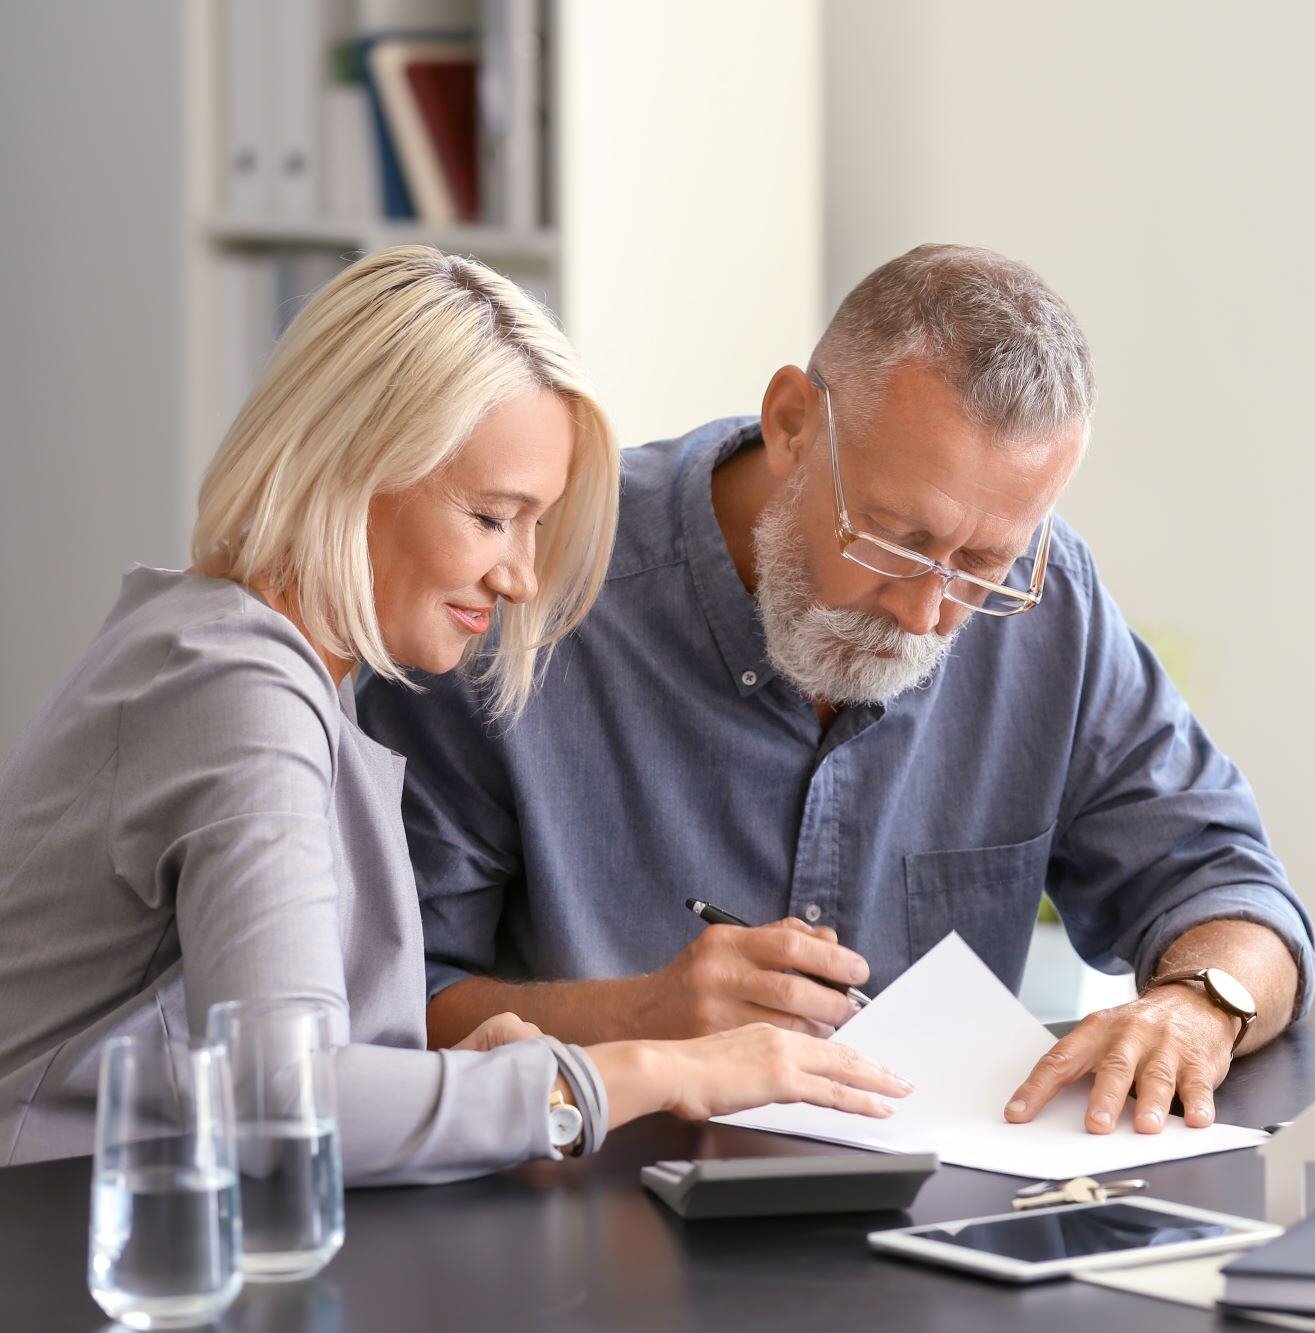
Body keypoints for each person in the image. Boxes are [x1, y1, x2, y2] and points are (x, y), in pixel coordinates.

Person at [360, 244, 1315, 1135]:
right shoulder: (522, 590)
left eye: (985, 562)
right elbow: (388, 1013)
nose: (926, 611)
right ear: (791, 427)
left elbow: (1227, 884)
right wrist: (636, 1014)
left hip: (931, 1238)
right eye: (898, 538)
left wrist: (1202, 1003)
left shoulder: (1046, 606)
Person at [0, 247, 907, 1182]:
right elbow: (283, 1102)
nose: (519, 577)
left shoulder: (277, 670)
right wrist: (651, 1068)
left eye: (535, 525)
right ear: (348, 465)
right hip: (59, 1243)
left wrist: (483, 1084)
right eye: (490, 517)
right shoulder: (236, 690)